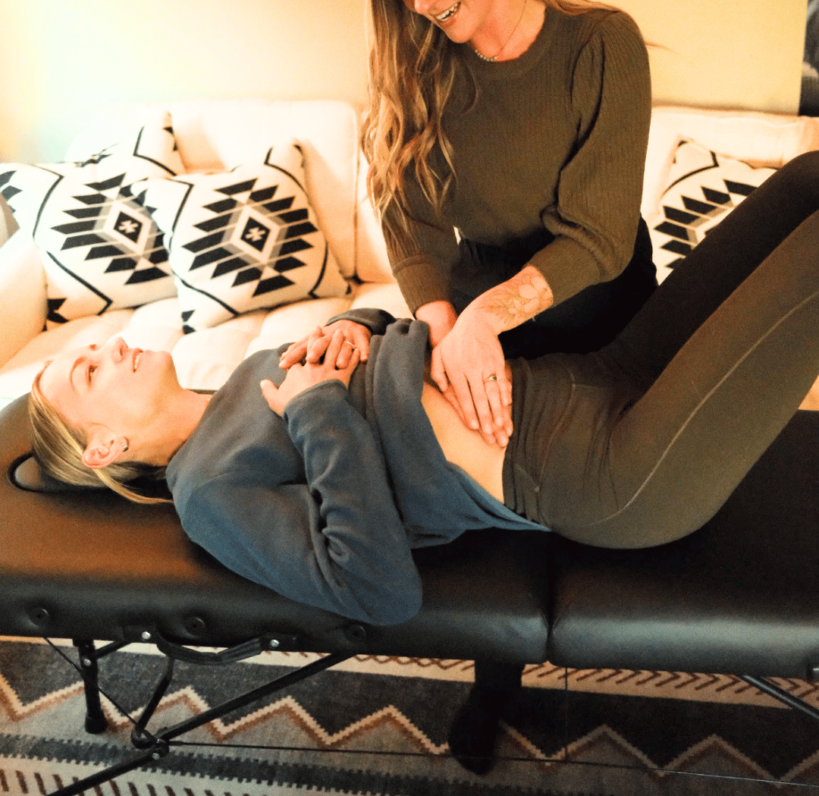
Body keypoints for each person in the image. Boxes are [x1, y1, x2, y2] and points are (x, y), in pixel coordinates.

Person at [28, 152, 819, 626]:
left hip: (602, 372)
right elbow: (374, 589)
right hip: (614, 470)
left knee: (803, 184)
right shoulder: (206, 494)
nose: (110, 346)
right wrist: (314, 411)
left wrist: (360, 324)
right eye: (87, 370)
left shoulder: (240, 378)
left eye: (94, 349)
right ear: (106, 447)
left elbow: (389, 363)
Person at [282, 0, 656, 452]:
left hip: (604, 318)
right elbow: (408, 219)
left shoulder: (601, 43)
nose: (421, 4)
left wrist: (485, 319)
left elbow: (600, 239)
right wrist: (445, 331)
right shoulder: (411, 61)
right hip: (475, 312)